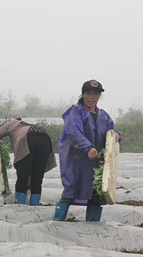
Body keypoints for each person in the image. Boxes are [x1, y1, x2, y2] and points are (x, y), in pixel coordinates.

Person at [54, 79, 120, 222]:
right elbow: (73, 131)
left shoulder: (104, 115)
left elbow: (111, 131)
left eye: (95, 94)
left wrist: (116, 135)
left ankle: (92, 226)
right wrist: (88, 146)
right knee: (71, 189)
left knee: (96, 192)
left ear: (99, 96)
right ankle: (56, 224)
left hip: (95, 162)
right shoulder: (76, 111)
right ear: (83, 95)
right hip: (77, 159)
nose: (92, 97)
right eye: (89, 93)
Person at [0, 119, 56, 206]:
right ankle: (35, 206)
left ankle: (19, 207)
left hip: (28, 138)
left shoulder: (11, 123)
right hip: (45, 138)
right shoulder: (28, 124)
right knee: (37, 178)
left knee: (22, 178)